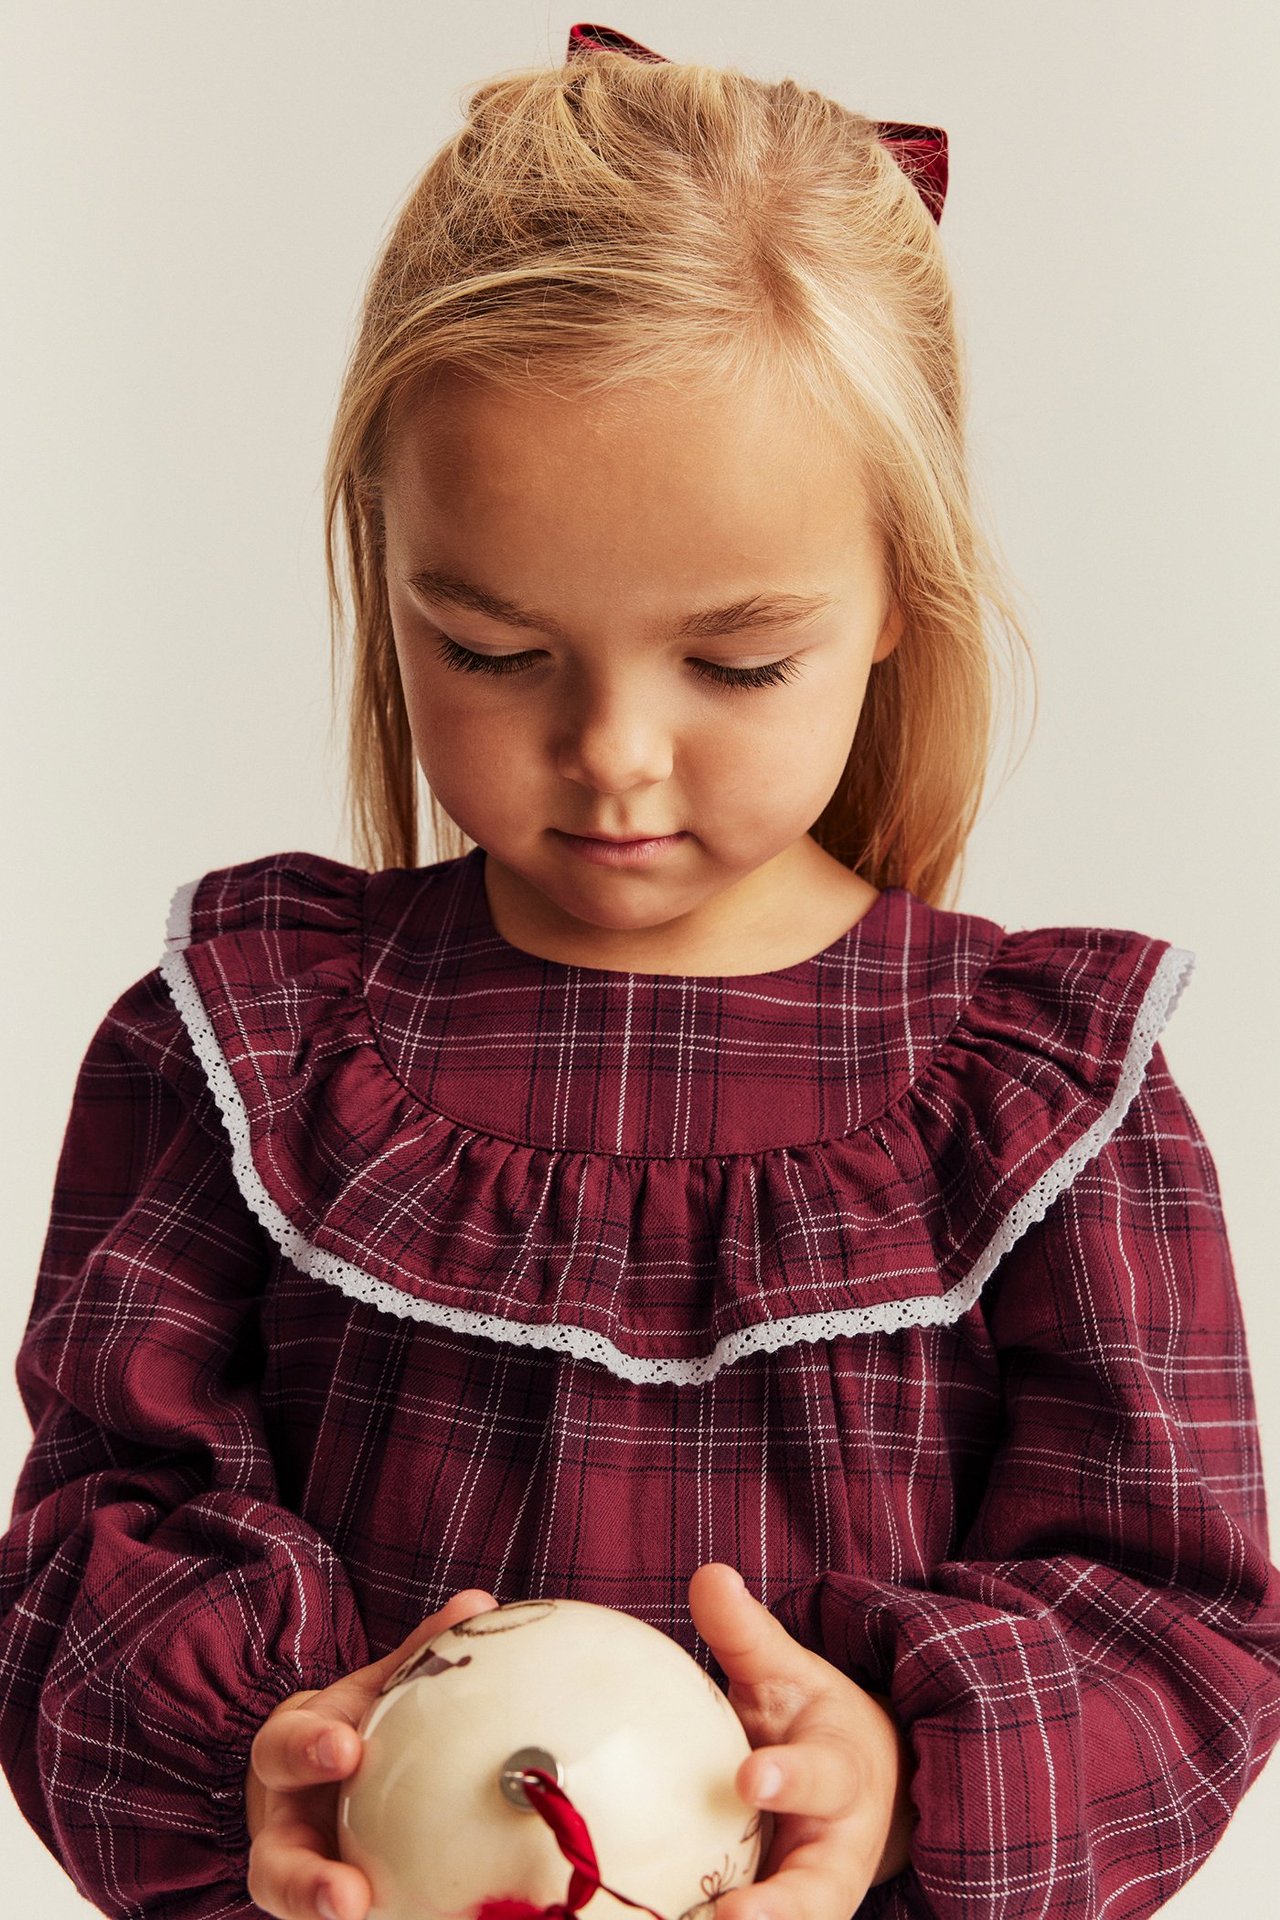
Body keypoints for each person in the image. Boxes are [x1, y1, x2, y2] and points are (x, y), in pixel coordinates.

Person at [2, 20, 1278, 1920]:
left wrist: (903, 1778)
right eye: (493, 651)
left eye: (736, 663)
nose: (611, 756)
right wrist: (261, 1750)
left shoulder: (1049, 1105)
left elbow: (1176, 1630)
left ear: (896, 599)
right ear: (388, 568)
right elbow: (91, 1539)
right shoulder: (247, 1044)